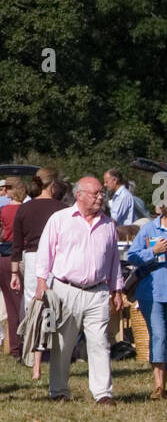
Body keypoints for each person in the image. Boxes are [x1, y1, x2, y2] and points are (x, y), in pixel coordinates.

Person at [30, 176, 127, 404]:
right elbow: (45, 252)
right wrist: (41, 282)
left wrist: (117, 289)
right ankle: (59, 391)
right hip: (65, 290)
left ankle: (103, 394)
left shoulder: (108, 224)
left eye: (101, 193)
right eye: (95, 193)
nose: (100, 197)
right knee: (63, 343)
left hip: (98, 291)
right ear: (79, 195)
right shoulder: (60, 219)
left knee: (100, 342)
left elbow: (114, 260)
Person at [127, 201, 167, 399]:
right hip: (151, 293)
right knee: (159, 335)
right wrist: (152, 252)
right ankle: (158, 385)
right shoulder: (149, 229)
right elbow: (132, 256)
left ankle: (165, 382)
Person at [10, 167, 63, 315]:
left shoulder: (24, 208)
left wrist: (14, 273)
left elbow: (17, 244)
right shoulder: (63, 209)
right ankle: (50, 334)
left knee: (32, 301)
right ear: (53, 185)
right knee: (52, 302)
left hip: (32, 258)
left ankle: (32, 335)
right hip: (56, 259)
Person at [1, 178, 28, 358]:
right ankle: (25, 343)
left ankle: (14, 345)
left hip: (4, 252)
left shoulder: (4, 210)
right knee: (24, 303)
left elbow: (2, 233)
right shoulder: (25, 210)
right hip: (22, 254)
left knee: (11, 305)